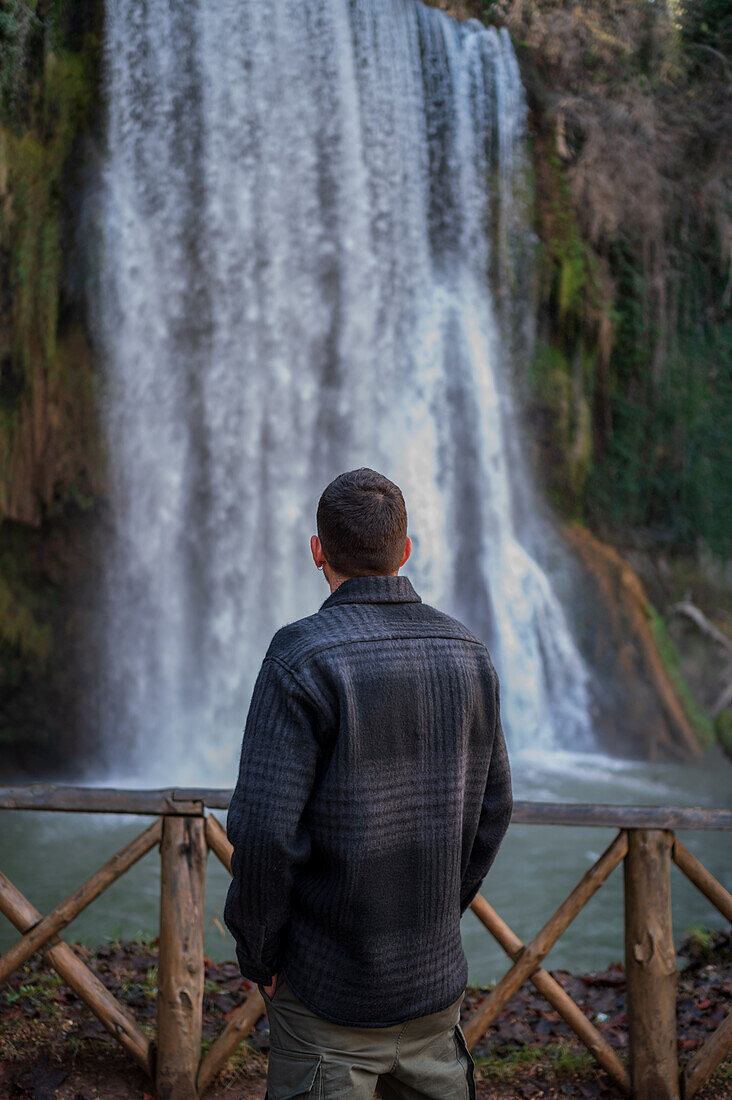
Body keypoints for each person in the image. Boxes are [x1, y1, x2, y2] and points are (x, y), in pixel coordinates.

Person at [224, 467, 513, 1100]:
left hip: (329, 996)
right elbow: (495, 811)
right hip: (434, 987)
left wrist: (261, 954)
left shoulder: (301, 657)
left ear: (317, 549)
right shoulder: (468, 652)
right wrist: (435, 915)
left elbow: (265, 831)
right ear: (406, 550)